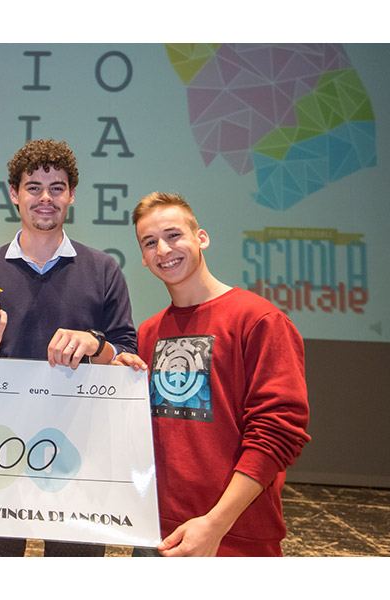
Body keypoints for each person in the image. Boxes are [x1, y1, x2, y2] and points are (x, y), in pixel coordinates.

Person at [113, 191, 311, 556]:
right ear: (142, 258)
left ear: (201, 238)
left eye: (173, 235)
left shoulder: (259, 320)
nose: (163, 250)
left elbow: (278, 432)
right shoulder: (149, 332)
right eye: (150, 242)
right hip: (155, 536)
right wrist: (120, 389)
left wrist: (216, 523)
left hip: (232, 537)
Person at [0, 139, 137, 557]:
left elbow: (126, 354)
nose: (46, 197)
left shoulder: (103, 270)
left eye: (57, 188)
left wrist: (95, 344)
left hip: (80, 454)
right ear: (13, 194)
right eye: (34, 187)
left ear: (71, 195)